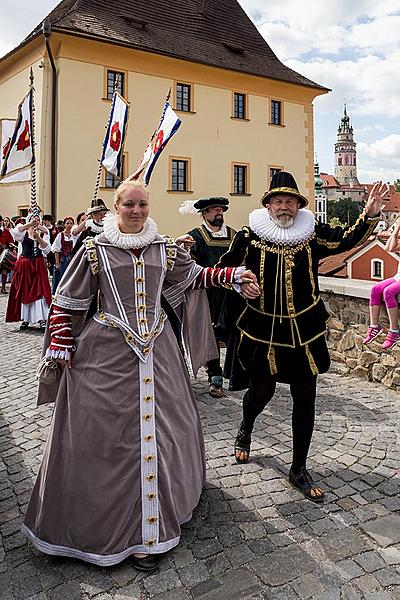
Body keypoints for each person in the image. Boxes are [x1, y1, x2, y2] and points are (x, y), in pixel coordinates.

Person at [22, 181, 257, 572]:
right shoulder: (94, 250)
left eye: (142, 204)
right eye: (129, 204)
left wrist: (233, 275)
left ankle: (157, 521)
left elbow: (196, 275)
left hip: (158, 348)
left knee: (168, 428)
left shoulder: (163, 248)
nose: (136, 210)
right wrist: (61, 341)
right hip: (106, 352)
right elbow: (67, 301)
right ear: (116, 207)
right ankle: (106, 528)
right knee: (105, 437)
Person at [217, 171, 388, 502]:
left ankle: (298, 468)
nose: (285, 207)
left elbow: (344, 240)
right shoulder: (251, 235)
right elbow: (226, 267)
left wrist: (369, 215)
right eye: (278, 201)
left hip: (305, 332)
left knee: (305, 397)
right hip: (264, 332)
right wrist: (239, 280)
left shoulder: (310, 234)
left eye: (290, 201)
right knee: (260, 393)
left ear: (298, 205)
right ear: (268, 206)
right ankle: (246, 427)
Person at [181, 197, 236, 397]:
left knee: (235, 332)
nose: (218, 213)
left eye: (220, 209)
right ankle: (215, 376)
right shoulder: (195, 237)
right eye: (213, 210)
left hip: (231, 294)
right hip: (207, 294)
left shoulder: (234, 235)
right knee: (209, 334)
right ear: (204, 214)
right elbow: (187, 266)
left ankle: (236, 372)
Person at [6, 216, 51, 331]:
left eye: (37, 220)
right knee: (25, 291)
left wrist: (38, 237)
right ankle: (25, 318)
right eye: (33, 219)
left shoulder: (44, 232)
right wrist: (30, 224)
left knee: (40, 291)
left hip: (38, 265)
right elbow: (15, 233)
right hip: (25, 265)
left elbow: (46, 249)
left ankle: (42, 319)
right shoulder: (23, 232)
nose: (36, 222)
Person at [363, 216, 400, 349]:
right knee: (375, 289)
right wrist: (395, 230)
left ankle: (394, 331)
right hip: (398, 276)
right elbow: (388, 248)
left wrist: (396, 230)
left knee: (388, 292)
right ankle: (374, 327)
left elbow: (390, 248)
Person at [51, 216, 78, 293]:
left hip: (71, 259)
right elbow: (56, 250)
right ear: (64, 225)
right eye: (68, 223)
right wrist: (57, 263)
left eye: (71, 223)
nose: (69, 225)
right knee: (61, 277)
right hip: (63, 259)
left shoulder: (74, 236)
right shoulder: (60, 235)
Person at [0, 215, 15, 294]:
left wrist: (10, 246)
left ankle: (3, 288)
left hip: (3, 253)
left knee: (4, 271)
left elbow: (10, 241)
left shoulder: (6, 231)